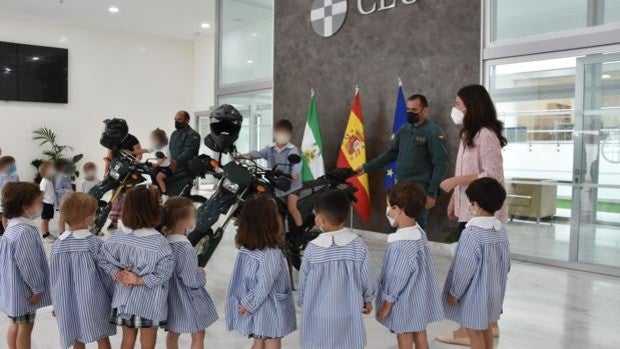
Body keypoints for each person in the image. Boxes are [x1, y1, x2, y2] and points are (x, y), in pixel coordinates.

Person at [437, 84, 508, 346]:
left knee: (474, 271)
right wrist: (456, 200)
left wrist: (456, 182)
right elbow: (467, 169)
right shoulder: (470, 133)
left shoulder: (486, 135)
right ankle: (487, 324)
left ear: (471, 106)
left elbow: (492, 176)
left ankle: (469, 329)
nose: (454, 109)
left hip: (483, 212)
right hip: (470, 207)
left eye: (458, 104)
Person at [298, 189, 376, 349]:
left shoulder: (312, 248)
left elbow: (303, 282)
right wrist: (368, 298)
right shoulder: (357, 244)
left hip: (318, 316)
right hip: (348, 314)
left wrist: (303, 301)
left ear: (319, 218)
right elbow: (367, 276)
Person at [98, 186, 174, 349]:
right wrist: (139, 280)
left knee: (127, 340)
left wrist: (117, 273)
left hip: (124, 300)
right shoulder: (159, 242)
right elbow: (165, 272)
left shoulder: (118, 236)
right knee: (148, 343)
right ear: (154, 210)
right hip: (149, 303)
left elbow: (102, 258)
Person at [358, 94, 448, 229]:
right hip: (399, 187)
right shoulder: (404, 129)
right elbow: (390, 154)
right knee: (395, 225)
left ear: (424, 110)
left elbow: (441, 164)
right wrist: (366, 168)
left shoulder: (433, 132)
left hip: (419, 190)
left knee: (415, 227)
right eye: (408, 110)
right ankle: (397, 250)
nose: (410, 113)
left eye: (414, 110)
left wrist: (432, 193)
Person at [443, 177, 510, 349]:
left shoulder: (471, 233)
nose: (469, 206)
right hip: (495, 294)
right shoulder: (500, 231)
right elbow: (506, 265)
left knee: (474, 331)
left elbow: (465, 268)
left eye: (470, 202)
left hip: (475, 297)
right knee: (487, 327)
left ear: (476, 204)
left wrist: (455, 292)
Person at [376, 182, 444, 349]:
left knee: (404, 336)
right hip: (419, 299)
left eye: (389, 208)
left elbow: (397, 277)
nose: (388, 212)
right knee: (420, 333)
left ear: (398, 210)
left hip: (404, 302)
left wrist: (387, 303)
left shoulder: (401, 245)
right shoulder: (418, 232)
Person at [226, 195, 296, 349]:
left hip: (255, 306)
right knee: (271, 342)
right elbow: (264, 285)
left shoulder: (246, 250)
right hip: (268, 307)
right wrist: (249, 304)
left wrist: (248, 302)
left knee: (258, 342)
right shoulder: (271, 254)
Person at [50, 192, 116, 349]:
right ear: (89, 219)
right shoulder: (94, 243)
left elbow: (54, 279)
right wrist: (113, 295)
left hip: (67, 303)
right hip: (94, 301)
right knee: (102, 335)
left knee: (77, 338)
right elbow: (106, 273)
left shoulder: (57, 246)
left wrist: (56, 303)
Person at [0, 182, 52, 349]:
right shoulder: (25, 231)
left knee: (14, 323)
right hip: (25, 291)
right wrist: (37, 288)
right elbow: (29, 264)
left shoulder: (11, 226)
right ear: (25, 206)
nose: (41, 205)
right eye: (39, 201)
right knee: (26, 328)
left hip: (13, 288)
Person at [162, 197, 218, 349]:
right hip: (187, 298)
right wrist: (201, 274)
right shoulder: (185, 248)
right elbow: (190, 280)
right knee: (198, 333)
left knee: (173, 332)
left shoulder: (164, 241)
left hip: (170, 297)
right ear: (185, 221)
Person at [244, 119, 303, 229]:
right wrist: (246, 155)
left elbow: (297, 164)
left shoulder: (292, 150)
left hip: (291, 185)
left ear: (289, 136)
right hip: (276, 183)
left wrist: (294, 174)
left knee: (291, 207)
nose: (281, 136)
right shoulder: (269, 148)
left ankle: (300, 229)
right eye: (279, 133)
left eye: (285, 134)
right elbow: (258, 153)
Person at [101, 119, 142, 231]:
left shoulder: (132, 139)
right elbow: (109, 157)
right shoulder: (111, 140)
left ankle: (133, 222)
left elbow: (139, 153)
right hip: (116, 170)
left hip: (129, 170)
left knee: (130, 196)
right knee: (115, 195)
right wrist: (105, 172)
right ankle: (114, 222)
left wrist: (135, 163)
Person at [138, 129, 172, 198]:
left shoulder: (166, 149)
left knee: (158, 177)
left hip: (167, 168)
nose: (153, 140)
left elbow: (161, 161)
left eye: (154, 139)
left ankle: (164, 194)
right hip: (160, 167)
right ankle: (156, 192)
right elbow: (146, 150)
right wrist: (133, 152)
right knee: (149, 174)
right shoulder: (156, 146)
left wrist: (153, 164)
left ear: (160, 139)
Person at [54, 158, 74, 234]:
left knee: (68, 216)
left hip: (67, 198)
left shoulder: (66, 175)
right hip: (62, 199)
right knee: (62, 217)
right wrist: (69, 191)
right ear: (61, 167)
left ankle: (69, 232)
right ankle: (62, 233)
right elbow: (58, 188)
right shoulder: (60, 176)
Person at [0, 155, 19, 234]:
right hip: (3, 199)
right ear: (3, 166)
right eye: (11, 165)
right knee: (4, 214)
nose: (13, 166)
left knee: (13, 214)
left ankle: (13, 227)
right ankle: (5, 229)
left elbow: (19, 186)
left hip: (14, 198)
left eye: (14, 164)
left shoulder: (15, 176)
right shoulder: (1, 177)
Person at [39, 161, 57, 241]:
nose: (54, 170)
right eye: (52, 169)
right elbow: (41, 193)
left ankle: (47, 233)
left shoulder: (49, 180)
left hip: (50, 203)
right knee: (45, 220)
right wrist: (40, 203)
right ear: (45, 171)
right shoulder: (44, 182)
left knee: (48, 219)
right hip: (46, 204)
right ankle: (44, 235)